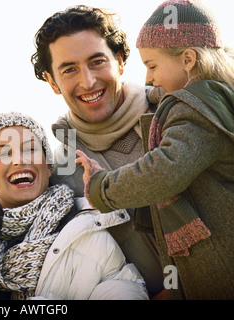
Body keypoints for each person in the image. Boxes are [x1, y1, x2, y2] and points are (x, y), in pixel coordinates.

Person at [76, 0, 234, 299]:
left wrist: (100, 187)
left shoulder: (196, 109)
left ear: (188, 59)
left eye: (152, 65)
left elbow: (163, 173)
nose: (148, 78)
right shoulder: (219, 98)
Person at [31, 5, 165, 298]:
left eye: (97, 61)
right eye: (69, 69)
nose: (88, 81)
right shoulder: (59, 168)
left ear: (119, 61)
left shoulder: (176, 116)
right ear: (52, 81)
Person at [0, 111, 148, 300]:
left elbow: (123, 288)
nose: (19, 160)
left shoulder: (86, 227)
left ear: (49, 166)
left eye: (30, 149)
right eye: (4, 153)